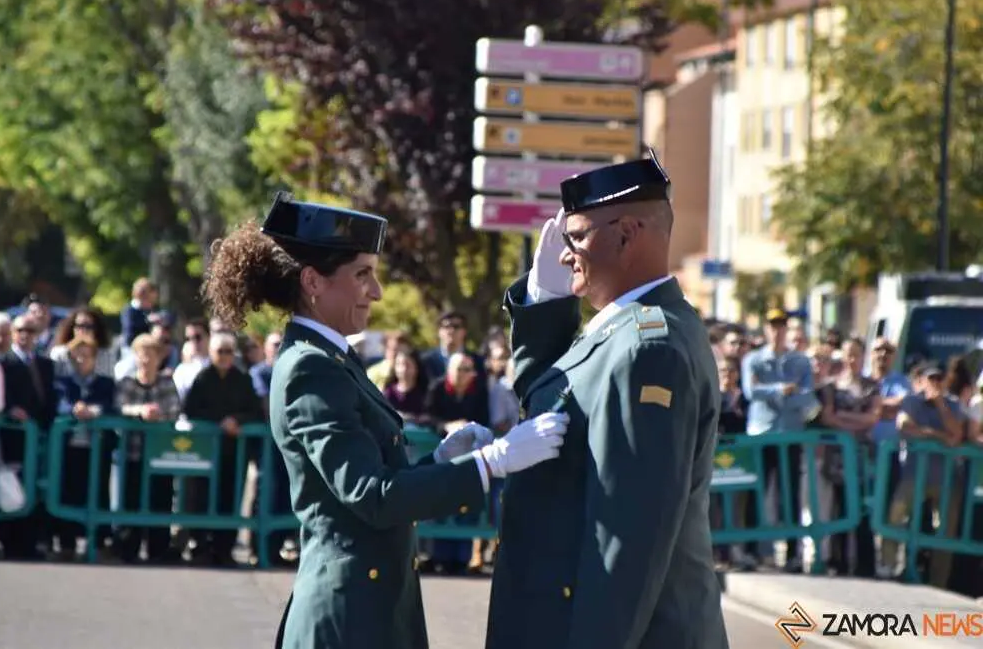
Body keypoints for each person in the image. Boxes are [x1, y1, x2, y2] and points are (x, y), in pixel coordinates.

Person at [201, 192, 569, 649]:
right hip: (351, 618)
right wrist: (492, 462)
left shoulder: (330, 358)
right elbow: (372, 496)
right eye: (362, 274)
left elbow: (374, 481)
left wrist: (440, 462)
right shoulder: (311, 367)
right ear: (313, 281)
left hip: (371, 606)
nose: (375, 291)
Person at [485, 152, 728, 649]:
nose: (565, 255)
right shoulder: (624, 329)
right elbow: (548, 399)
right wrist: (544, 307)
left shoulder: (646, 348)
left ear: (627, 234)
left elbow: (627, 539)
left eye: (575, 237)